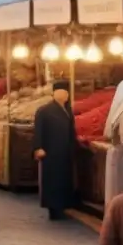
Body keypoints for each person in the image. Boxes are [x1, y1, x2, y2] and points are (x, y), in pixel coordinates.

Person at [33, 80, 77, 220]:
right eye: (61, 92)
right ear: (54, 93)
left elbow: (71, 131)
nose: (64, 95)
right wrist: (38, 148)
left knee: (63, 180)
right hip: (50, 151)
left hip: (64, 151)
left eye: (66, 92)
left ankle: (62, 206)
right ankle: (53, 209)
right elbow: (38, 131)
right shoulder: (44, 111)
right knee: (52, 180)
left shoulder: (68, 110)